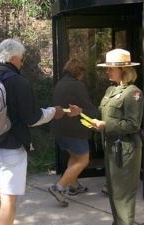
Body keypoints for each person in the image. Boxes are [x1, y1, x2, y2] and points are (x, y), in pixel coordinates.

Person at [0, 38, 78, 225]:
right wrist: (55, 112)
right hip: (11, 147)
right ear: (12, 58)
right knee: (9, 198)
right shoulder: (19, 82)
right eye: (21, 58)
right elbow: (32, 118)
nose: (22, 62)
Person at [94, 48, 144, 225]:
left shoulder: (133, 93)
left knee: (124, 196)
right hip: (113, 147)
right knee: (114, 193)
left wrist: (106, 125)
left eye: (110, 68)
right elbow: (102, 114)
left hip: (126, 149)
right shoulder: (111, 91)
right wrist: (81, 113)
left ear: (123, 69)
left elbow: (133, 124)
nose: (107, 71)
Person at [49, 58, 98, 207]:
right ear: (79, 71)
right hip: (74, 131)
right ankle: (59, 188)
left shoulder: (60, 83)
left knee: (75, 157)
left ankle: (74, 186)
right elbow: (86, 106)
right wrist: (98, 113)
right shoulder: (77, 85)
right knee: (83, 160)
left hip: (60, 130)